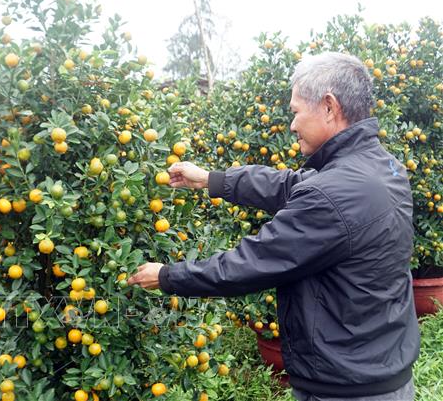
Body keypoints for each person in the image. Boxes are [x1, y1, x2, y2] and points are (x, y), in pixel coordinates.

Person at [127, 52, 419, 401]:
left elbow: (249, 264)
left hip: (345, 389)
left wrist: (166, 276)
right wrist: (211, 180)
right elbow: (290, 185)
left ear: (329, 107)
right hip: (385, 371)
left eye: (296, 112)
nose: (292, 125)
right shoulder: (383, 167)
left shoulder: (333, 194)